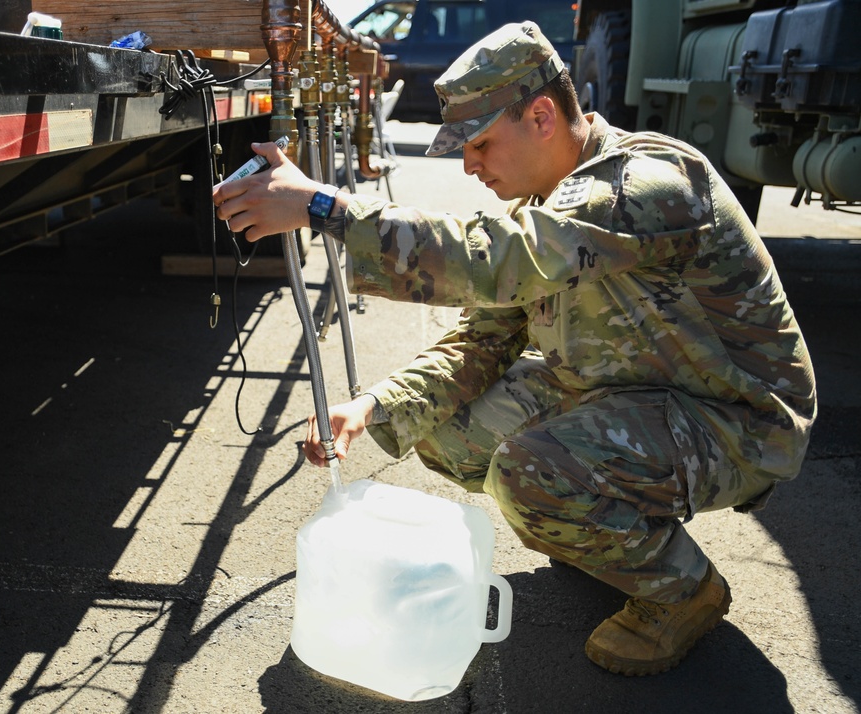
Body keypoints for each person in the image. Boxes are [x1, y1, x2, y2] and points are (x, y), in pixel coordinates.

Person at [213, 21, 816, 676]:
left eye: (480, 143)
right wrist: (375, 407)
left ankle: (681, 588)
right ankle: (604, 525)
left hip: (735, 424)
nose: (469, 165)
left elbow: (502, 258)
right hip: (637, 388)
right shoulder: (551, 199)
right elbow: (486, 333)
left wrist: (325, 207)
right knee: (447, 431)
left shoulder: (644, 185)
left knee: (530, 474)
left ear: (540, 116)